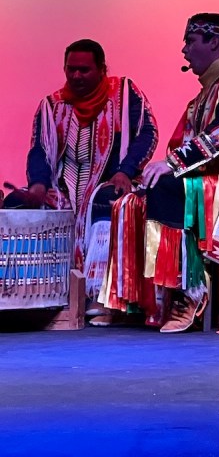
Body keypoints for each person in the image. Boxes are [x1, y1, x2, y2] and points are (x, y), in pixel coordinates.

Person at [105, 13, 219, 334]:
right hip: (215, 181)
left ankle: (190, 292)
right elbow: (192, 141)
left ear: (214, 42)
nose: (184, 50)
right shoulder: (208, 91)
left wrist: (174, 164)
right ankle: (137, 301)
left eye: (190, 41)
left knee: (169, 188)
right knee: (137, 198)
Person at [5, 39, 158, 324]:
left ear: (101, 69)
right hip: (64, 189)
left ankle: (102, 297)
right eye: (71, 69)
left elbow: (146, 133)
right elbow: (39, 148)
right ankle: (33, 295)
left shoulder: (124, 93)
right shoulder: (51, 106)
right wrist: (38, 184)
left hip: (111, 183)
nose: (76, 76)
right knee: (16, 203)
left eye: (84, 70)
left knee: (107, 200)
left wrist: (125, 170)